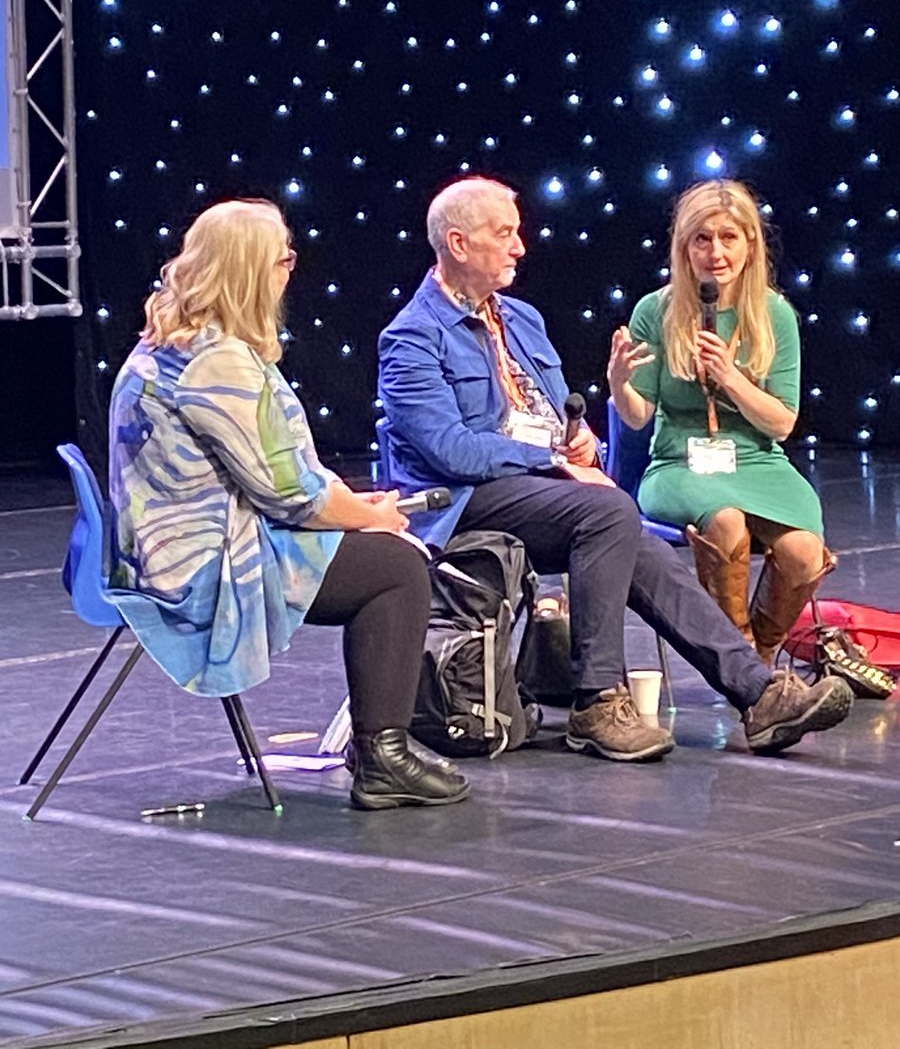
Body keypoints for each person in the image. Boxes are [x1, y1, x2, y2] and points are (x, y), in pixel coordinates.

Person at [378, 176, 852, 762]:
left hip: (539, 488)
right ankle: (597, 700)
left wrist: (578, 443)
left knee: (633, 539)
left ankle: (759, 696)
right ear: (458, 243)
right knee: (607, 512)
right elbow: (450, 452)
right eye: (504, 234)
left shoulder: (521, 319)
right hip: (459, 500)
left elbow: (557, 416)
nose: (520, 246)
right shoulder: (412, 337)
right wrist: (553, 459)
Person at [108, 198, 468, 811]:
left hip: (163, 551)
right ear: (248, 271)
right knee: (398, 566)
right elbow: (290, 495)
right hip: (200, 571)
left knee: (380, 546)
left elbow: (278, 473)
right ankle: (383, 755)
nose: (290, 269)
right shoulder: (214, 361)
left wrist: (350, 505)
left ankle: (379, 747)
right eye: (282, 259)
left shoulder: (176, 342)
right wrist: (373, 517)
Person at [609, 179, 832, 664]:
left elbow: (781, 424)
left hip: (756, 460)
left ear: (750, 243)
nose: (716, 253)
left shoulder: (775, 313)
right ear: (684, 247)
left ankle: (761, 659)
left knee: (803, 551)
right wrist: (619, 384)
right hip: (679, 462)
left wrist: (730, 377)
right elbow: (637, 416)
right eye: (702, 239)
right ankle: (738, 663)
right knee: (726, 520)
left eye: (729, 237)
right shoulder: (656, 310)